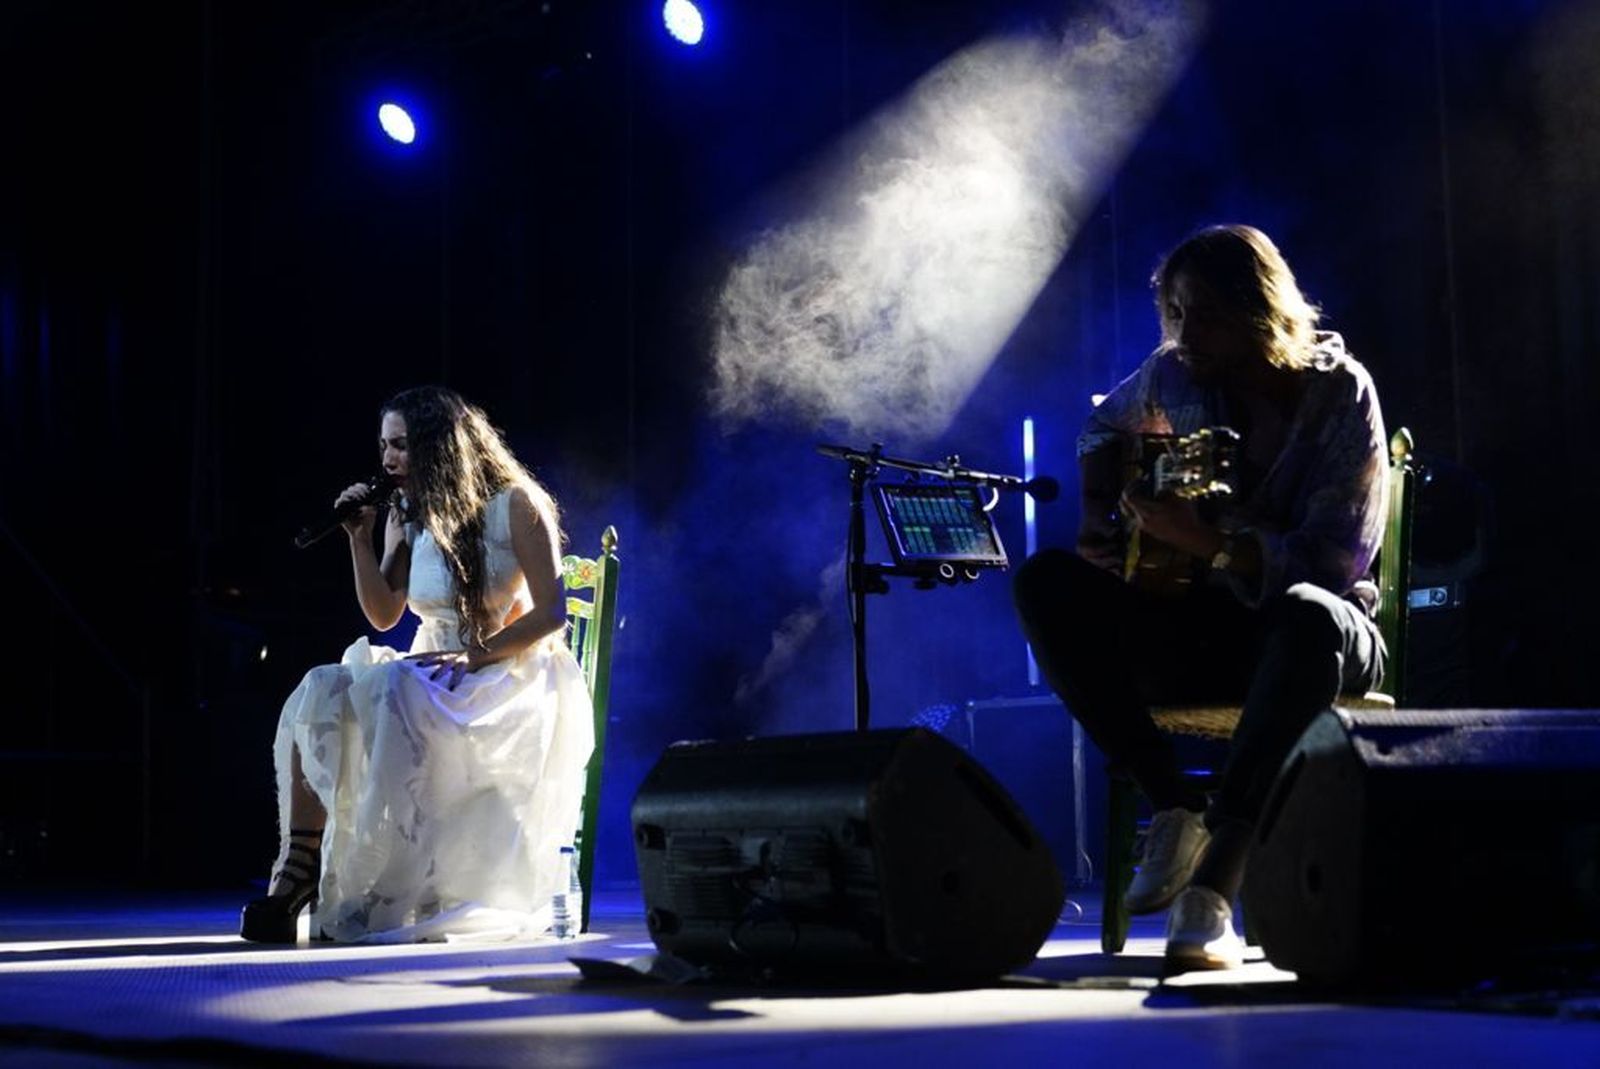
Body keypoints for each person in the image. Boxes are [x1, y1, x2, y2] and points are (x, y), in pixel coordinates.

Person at [1012, 224, 1387, 970]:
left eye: (1203, 314)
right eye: (1174, 313)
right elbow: (1098, 427)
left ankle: (1213, 888)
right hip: (1204, 630)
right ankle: (1173, 802)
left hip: (1316, 643)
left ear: (1259, 309)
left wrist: (1209, 542)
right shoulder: (1172, 374)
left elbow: (1332, 562)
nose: (1183, 333)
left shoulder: (1341, 393)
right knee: (1044, 582)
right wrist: (1096, 516)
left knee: (1308, 613)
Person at [240, 385, 594, 944]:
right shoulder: (409, 512)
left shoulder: (517, 504)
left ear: (441, 444)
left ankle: (387, 883)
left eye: (401, 445)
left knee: (395, 687)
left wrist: (476, 654)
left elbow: (551, 613)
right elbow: (384, 615)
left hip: (504, 670)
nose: (388, 459)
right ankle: (298, 865)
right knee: (323, 685)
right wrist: (358, 538)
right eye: (384, 445)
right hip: (432, 667)